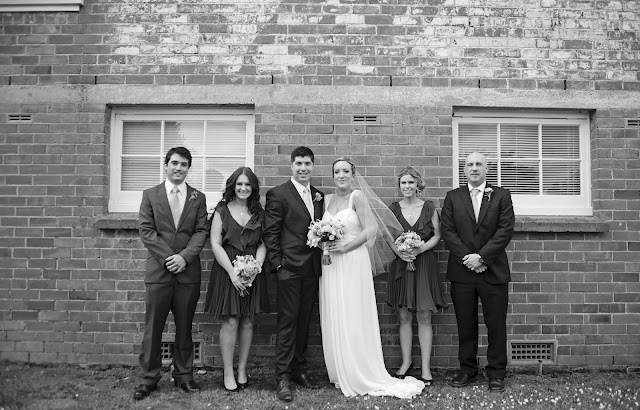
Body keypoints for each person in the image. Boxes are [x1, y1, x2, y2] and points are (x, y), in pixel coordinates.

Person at [319, 158, 424, 398]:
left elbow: (371, 229)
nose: (341, 175)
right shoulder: (327, 200)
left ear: (353, 174)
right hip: (331, 264)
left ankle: (359, 371)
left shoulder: (357, 197)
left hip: (352, 260)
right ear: (332, 175)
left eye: (346, 171)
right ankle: (340, 370)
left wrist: (345, 247)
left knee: (353, 313)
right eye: (337, 171)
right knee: (335, 311)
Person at [135, 147, 209, 400]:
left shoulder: (198, 198)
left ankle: (184, 376)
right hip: (159, 272)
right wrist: (170, 258)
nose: (179, 168)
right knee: (153, 328)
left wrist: (184, 258)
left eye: (184, 164)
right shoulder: (150, 195)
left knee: (185, 327)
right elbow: (147, 231)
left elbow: (201, 231)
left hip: (187, 273)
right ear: (166, 165)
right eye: (175, 163)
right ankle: (148, 379)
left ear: (189, 168)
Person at [440, 152, 515, 392]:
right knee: (466, 324)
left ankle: (496, 373)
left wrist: (481, 257)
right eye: (470, 164)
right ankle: (467, 369)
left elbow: (505, 230)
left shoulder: (502, 195)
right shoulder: (453, 197)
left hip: (493, 270)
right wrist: (469, 259)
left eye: (479, 164)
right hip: (462, 272)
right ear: (464, 170)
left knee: (496, 324)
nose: (474, 168)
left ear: (486, 169)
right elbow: (448, 231)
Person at [263, 146, 324, 403]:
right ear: (291, 165)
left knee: (304, 321)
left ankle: (299, 369)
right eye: (298, 163)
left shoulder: (319, 195)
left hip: (311, 269)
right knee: (287, 322)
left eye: (307, 163)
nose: (303, 168)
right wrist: (278, 264)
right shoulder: (278, 194)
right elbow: (271, 232)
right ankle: (283, 377)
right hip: (288, 269)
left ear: (313, 166)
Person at [203, 167, 269, 392]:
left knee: (248, 320)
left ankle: (242, 369)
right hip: (227, 269)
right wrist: (233, 274)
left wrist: (255, 269)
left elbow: (262, 244)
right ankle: (228, 372)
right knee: (231, 320)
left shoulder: (259, 212)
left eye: (247, 184)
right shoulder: (222, 209)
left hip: (252, 270)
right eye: (239, 184)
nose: (243, 188)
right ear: (233, 185)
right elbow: (215, 243)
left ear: (253, 188)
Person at [386, 166, 448, 385]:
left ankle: (426, 367)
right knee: (403, 316)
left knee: (424, 316)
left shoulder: (429, 207)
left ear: (418, 185)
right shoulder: (393, 208)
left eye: (411, 182)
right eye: (403, 183)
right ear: (399, 186)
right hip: (402, 265)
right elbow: (388, 237)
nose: (407, 186)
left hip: (424, 265)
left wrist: (420, 249)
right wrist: (400, 253)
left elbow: (437, 235)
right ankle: (406, 362)